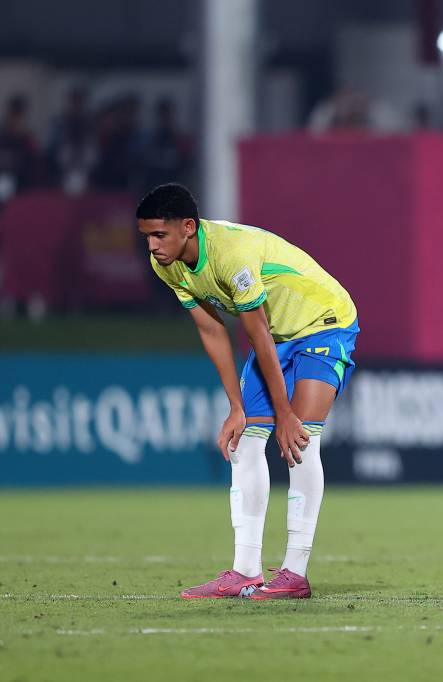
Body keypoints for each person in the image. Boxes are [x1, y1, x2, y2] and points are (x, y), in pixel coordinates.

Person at [137, 183, 359, 600]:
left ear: (188, 227)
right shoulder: (166, 266)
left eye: (159, 235)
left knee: (300, 440)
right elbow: (211, 329)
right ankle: (245, 570)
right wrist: (235, 407)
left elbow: (254, 328)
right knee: (244, 442)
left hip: (324, 322)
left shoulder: (231, 253)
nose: (152, 245)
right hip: (276, 336)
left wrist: (285, 413)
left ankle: (295, 572)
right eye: (147, 236)